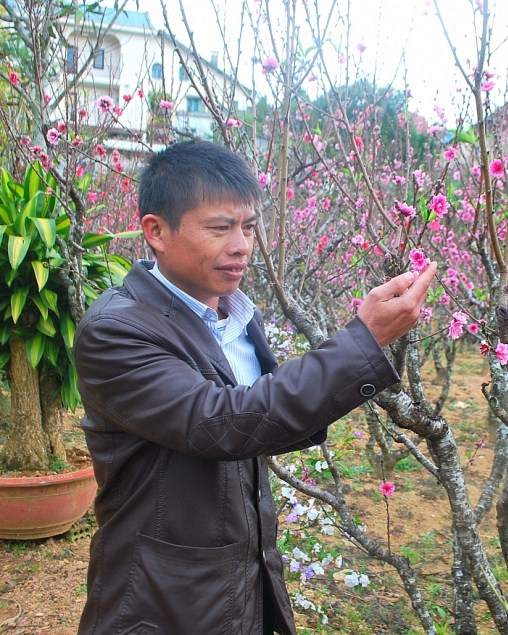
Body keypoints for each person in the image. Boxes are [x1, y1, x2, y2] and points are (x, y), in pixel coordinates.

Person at [74, 140, 436, 635]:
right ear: (156, 232)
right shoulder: (116, 331)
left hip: (243, 579)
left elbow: (258, 427)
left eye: (248, 226)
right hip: (159, 598)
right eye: (220, 227)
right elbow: (223, 423)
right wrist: (362, 342)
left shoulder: (236, 315)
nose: (242, 245)